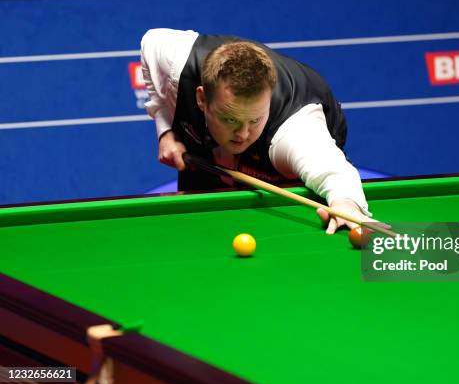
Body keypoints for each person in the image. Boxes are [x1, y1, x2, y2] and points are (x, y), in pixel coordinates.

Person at [140, 28, 372, 234]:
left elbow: (333, 172)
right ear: (202, 98)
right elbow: (150, 41)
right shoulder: (177, 61)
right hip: (207, 153)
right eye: (230, 118)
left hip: (276, 168)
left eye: (255, 120)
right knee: (199, 230)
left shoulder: (294, 132)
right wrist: (166, 128)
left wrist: (346, 204)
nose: (242, 134)